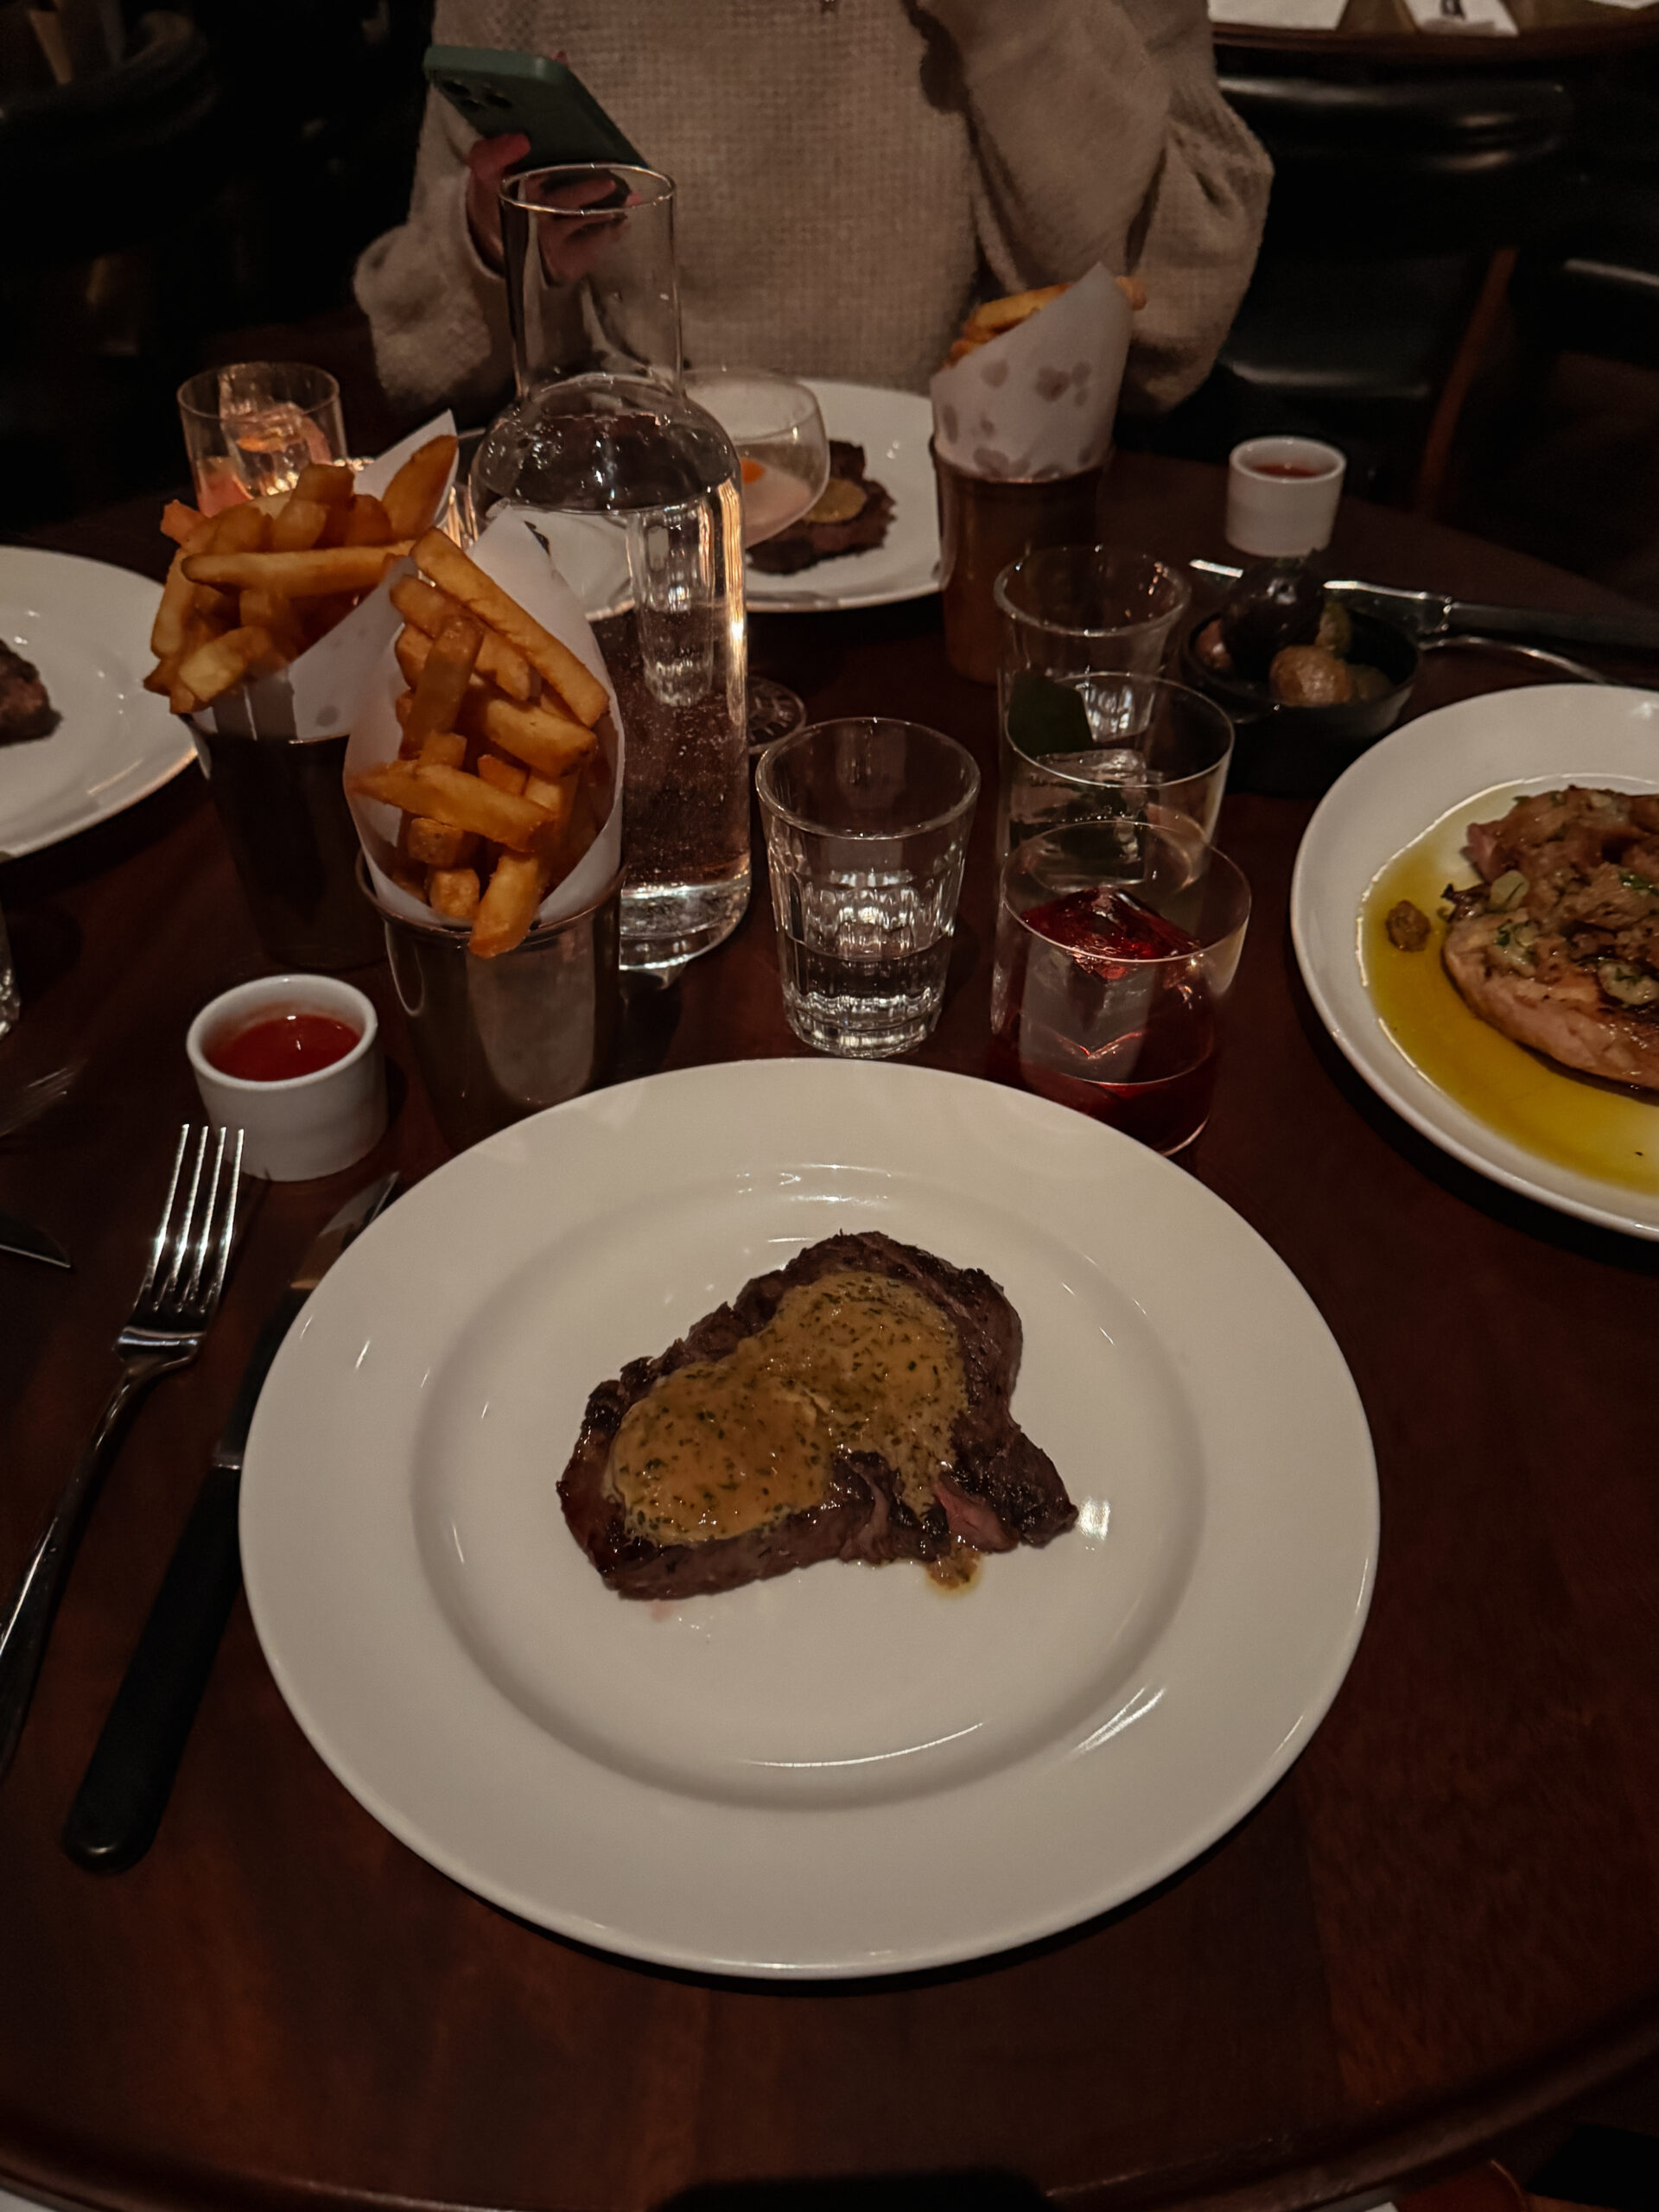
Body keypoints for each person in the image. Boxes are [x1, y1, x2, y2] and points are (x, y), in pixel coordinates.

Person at [355, 0, 1270, 424]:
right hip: (631, 545)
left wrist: (1013, 21)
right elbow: (422, 364)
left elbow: (1178, 316)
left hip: (985, 554)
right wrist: (503, 243)